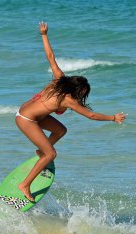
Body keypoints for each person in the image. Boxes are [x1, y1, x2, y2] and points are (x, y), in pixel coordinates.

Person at [15, 22, 127, 202]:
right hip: (26, 119)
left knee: (61, 130)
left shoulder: (59, 79)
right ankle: (25, 184)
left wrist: (44, 35)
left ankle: (41, 152)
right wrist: (113, 118)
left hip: (31, 113)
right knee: (52, 154)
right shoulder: (68, 99)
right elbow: (91, 115)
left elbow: (50, 57)